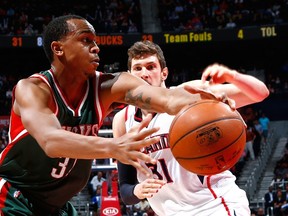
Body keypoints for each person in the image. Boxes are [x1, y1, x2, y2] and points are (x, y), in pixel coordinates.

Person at [0, 15, 220, 215]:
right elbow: (51, 140)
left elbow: (167, 99)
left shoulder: (109, 86)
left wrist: (208, 102)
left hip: (57, 206)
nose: (95, 47)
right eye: (85, 40)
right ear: (58, 49)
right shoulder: (33, 89)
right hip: (13, 197)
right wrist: (113, 147)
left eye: (95, 41)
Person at [113, 40, 269, 215]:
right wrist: (138, 190)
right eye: (138, 68)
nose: (144, 74)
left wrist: (232, 76)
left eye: (151, 67)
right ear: (129, 75)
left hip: (215, 205)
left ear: (164, 73)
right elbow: (126, 191)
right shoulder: (122, 121)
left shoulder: (189, 94)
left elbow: (260, 92)